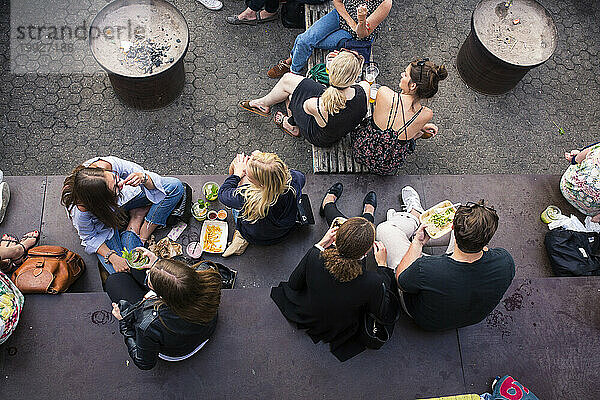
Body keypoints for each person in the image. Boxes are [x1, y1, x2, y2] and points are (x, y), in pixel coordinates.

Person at [376, 186, 515, 331]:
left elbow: (401, 281)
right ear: (488, 239)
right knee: (467, 230)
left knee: (385, 230)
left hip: (425, 319)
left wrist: (418, 242)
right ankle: (414, 224)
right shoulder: (506, 261)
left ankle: (414, 216)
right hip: (467, 318)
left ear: (452, 227)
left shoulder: (425, 268)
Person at [271, 206, 394, 362]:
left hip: (311, 311)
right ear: (365, 253)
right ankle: (362, 210)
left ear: (335, 238)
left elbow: (294, 284)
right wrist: (382, 266)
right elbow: (381, 311)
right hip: (341, 325)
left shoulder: (315, 255)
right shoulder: (373, 282)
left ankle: (329, 204)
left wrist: (320, 244)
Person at [61, 157, 184, 274]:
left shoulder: (105, 165)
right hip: (106, 223)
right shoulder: (81, 210)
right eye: (115, 186)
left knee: (175, 187)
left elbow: (140, 172)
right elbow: (89, 238)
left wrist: (143, 178)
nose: (121, 183)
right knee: (123, 269)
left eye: (115, 177)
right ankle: (136, 218)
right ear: (102, 200)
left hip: (127, 198)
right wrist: (112, 257)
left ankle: (143, 234)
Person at [107, 252, 221, 370]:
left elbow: (144, 363)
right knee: (136, 267)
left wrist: (124, 322)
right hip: (205, 327)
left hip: (178, 350)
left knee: (114, 281)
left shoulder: (150, 323)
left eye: (150, 282)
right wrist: (157, 262)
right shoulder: (208, 275)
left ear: (161, 296)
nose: (148, 271)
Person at [241, 50, 369, 147]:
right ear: (356, 76)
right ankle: (264, 103)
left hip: (320, 137)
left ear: (330, 71)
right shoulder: (364, 88)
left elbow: (306, 106)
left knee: (291, 96)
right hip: (340, 125)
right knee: (288, 81)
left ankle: (290, 125)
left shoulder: (317, 105)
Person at [352, 59, 447, 175]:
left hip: (363, 150)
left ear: (413, 85)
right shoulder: (426, 114)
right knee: (414, 134)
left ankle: (418, 133)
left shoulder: (384, 93)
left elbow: (394, 114)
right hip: (387, 165)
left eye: (405, 74)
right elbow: (402, 119)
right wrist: (421, 126)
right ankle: (419, 134)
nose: (402, 75)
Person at [267, 0, 392, 78]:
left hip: (354, 34)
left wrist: (361, 20)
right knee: (305, 40)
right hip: (341, 16)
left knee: (303, 40)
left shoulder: (385, 3)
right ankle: (294, 71)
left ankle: (291, 69)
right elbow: (337, 2)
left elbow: (362, 34)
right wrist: (350, 21)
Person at [218, 151, 305, 257]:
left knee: (236, 206)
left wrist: (237, 174)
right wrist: (264, 163)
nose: (245, 173)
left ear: (262, 184)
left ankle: (241, 239)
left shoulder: (249, 198)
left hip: (255, 235)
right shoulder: (294, 180)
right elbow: (302, 177)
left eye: (249, 177)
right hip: (282, 231)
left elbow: (223, 194)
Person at [561, 142, 600, 222]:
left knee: (586, 155)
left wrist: (574, 159)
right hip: (588, 210)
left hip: (566, 187)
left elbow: (578, 158)